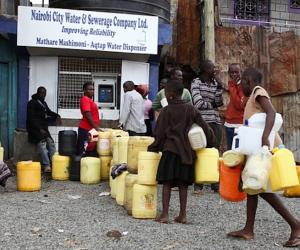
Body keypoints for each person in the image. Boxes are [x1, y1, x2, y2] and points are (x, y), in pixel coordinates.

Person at [227, 67, 300, 248]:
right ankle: (248, 229)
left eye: (242, 81)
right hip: (256, 147)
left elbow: (272, 113)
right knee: (253, 187)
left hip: (263, 147)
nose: (240, 84)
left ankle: (296, 225)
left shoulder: (258, 92)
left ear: (249, 82)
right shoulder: (251, 97)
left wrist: (264, 136)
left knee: (262, 190)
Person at [148, 79, 215, 224]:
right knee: (183, 184)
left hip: (170, 151)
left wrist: (154, 147)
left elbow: (158, 132)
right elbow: (204, 126)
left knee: (166, 183)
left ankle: (165, 214)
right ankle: (182, 215)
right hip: (186, 153)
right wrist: (210, 142)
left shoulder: (166, 111)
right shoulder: (191, 109)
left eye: (165, 92)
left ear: (171, 94)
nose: (165, 95)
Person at [191, 60, 223, 193]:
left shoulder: (215, 83)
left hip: (215, 121)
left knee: (215, 151)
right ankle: (199, 183)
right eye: (211, 68)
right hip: (202, 122)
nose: (214, 70)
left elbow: (219, 102)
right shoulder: (196, 82)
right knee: (201, 151)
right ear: (205, 70)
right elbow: (198, 103)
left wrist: (219, 89)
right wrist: (212, 105)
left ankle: (215, 182)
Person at [27, 86, 61, 173]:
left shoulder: (44, 103)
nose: (43, 95)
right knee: (42, 145)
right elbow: (31, 118)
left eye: (44, 93)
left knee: (51, 143)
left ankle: (55, 163)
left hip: (44, 128)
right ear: (37, 93)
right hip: (35, 128)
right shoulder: (32, 103)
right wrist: (39, 129)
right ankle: (46, 165)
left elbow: (49, 112)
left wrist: (57, 115)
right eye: (41, 93)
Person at [224, 63, 247, 149]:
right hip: (229, 124)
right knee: (231, 152)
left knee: (238, 151)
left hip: (239, 124)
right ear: (229, 73)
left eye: (236, 72)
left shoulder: (243, 86)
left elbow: (238, 104)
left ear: (241, 72)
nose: (234, 74)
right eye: (232, 72)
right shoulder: (233, 84)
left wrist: (232, 86)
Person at [77, 81, 100, 156]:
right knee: (84, 151)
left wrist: (95, 128)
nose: (92, 91)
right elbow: (87, 114)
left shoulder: (90, 101)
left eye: (93, 89)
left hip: (92, 130)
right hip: (86, 130)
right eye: (89, 89)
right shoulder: (85, 99)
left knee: (91, 150)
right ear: (84, 90)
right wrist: (96, 127)